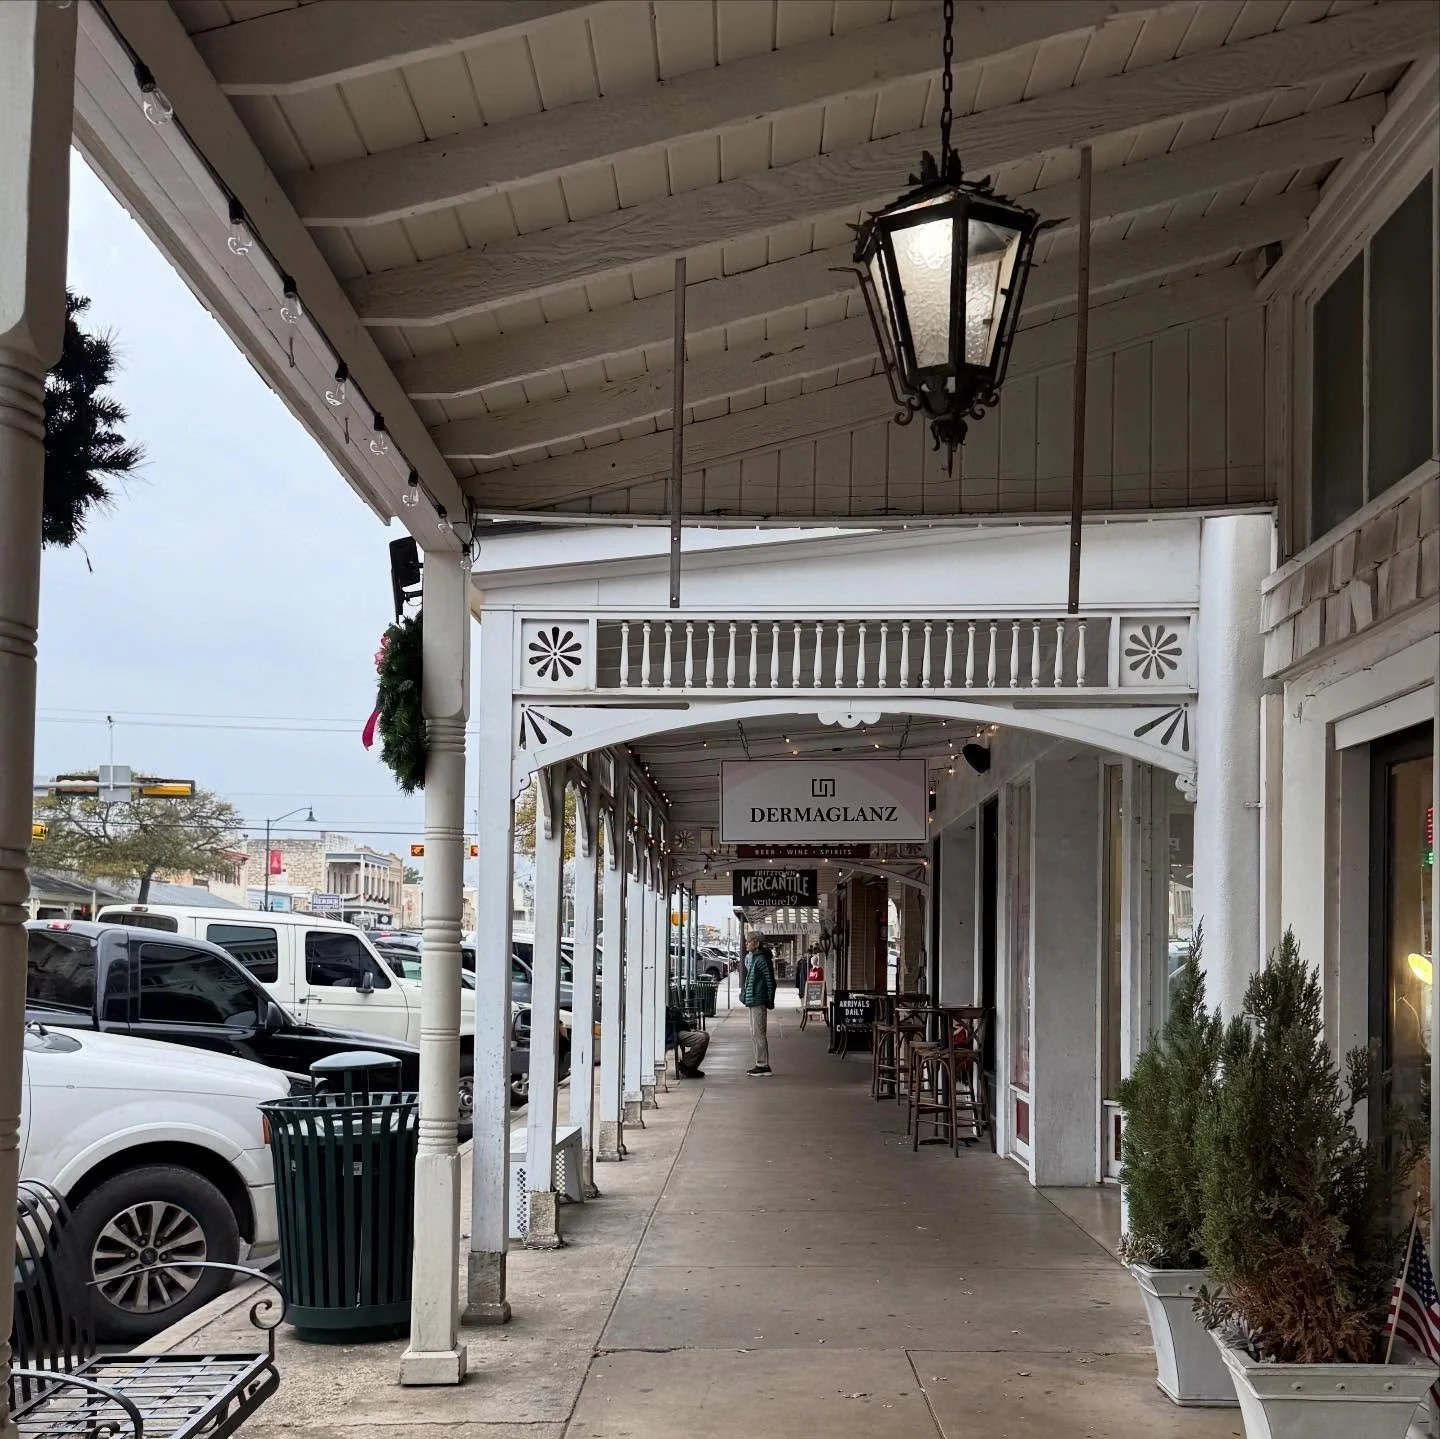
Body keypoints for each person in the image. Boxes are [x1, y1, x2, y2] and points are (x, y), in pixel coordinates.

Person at [740, 934, 776, 1076]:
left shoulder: (761, 960)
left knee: (759, 1033)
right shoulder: (753, 958)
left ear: (755, 943)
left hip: (758, 1000)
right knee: (755, 1033)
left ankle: (762, 1065)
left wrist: (769, 1000)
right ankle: (760, 1063)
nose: (746, 944)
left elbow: (770, 981)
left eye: (748, 942)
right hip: (753, 999)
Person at [665, 1003, 710, 1079]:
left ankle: (690, 1066)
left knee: (705, 1035)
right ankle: (687, 1065)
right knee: (702, 1038)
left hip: (675, 1031)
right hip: (672, 1033)